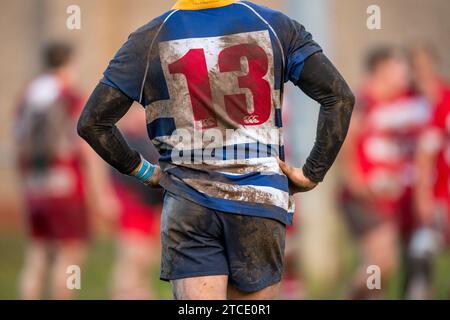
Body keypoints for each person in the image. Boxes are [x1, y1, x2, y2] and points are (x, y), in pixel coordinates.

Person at [78, 0, 354, 300]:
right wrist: (312, 173)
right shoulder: (275, 25)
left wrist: (145, 172)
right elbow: (339, 97)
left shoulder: (148, 38)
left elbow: (92, 123)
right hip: (259, 200)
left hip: (188, 202)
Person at [14, 43, 118, 300]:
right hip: (66, 187)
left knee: (37, 257)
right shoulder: (69, 96)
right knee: (69, 258)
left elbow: (18, 144)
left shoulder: (29, 95)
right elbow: (85, 149)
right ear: (70, 62)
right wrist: (102, 195)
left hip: (36, 185)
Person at [339, 47, 428, 299]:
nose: (406, 74)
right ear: (382, 70)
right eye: (399, 68)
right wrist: (356, 181)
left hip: (394, 199)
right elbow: (346, 141)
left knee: (380, 279)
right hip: (364, 197)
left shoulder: (406, 100)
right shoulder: (364, 100)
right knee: (383, 262)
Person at [407, 44, 450, 299]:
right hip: (421, 194)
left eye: (425, 66)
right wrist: (423, 197)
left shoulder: (444, 99)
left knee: (422, 252)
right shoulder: (407, 101)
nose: (421, 73)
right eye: (416, 67)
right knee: (419, 255)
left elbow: (427, 153)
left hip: (439, 193)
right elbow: (424, 155)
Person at [110, 105, 164, 300]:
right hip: (134, 208)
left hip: (148, 209)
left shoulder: (149, 142)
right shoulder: (127, 141)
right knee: (132, 263)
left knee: (143, 266)